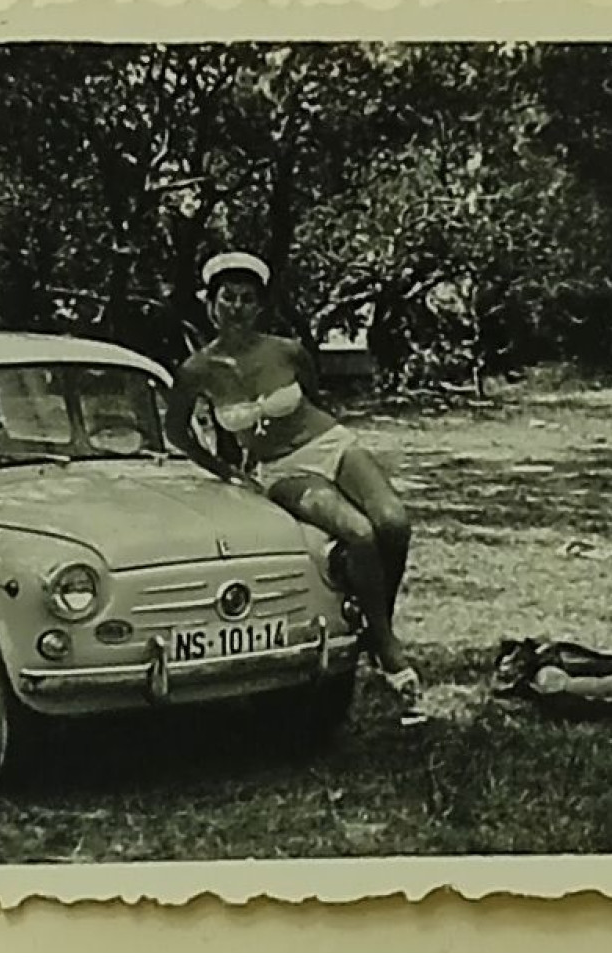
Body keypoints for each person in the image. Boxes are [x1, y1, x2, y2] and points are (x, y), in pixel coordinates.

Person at [165, 251, 425, 724]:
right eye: (229, 298)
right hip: (281, 470)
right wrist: (224, 470)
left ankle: (373, 623)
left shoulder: (287, 350)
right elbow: (177, 432)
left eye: (248, 299)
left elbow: (313, 393)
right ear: (212, 304)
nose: (238, 308)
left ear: (261, 307)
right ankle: (389, 652)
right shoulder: (196, 370)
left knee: (394, 522)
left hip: (330, 441)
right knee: (360, 534)